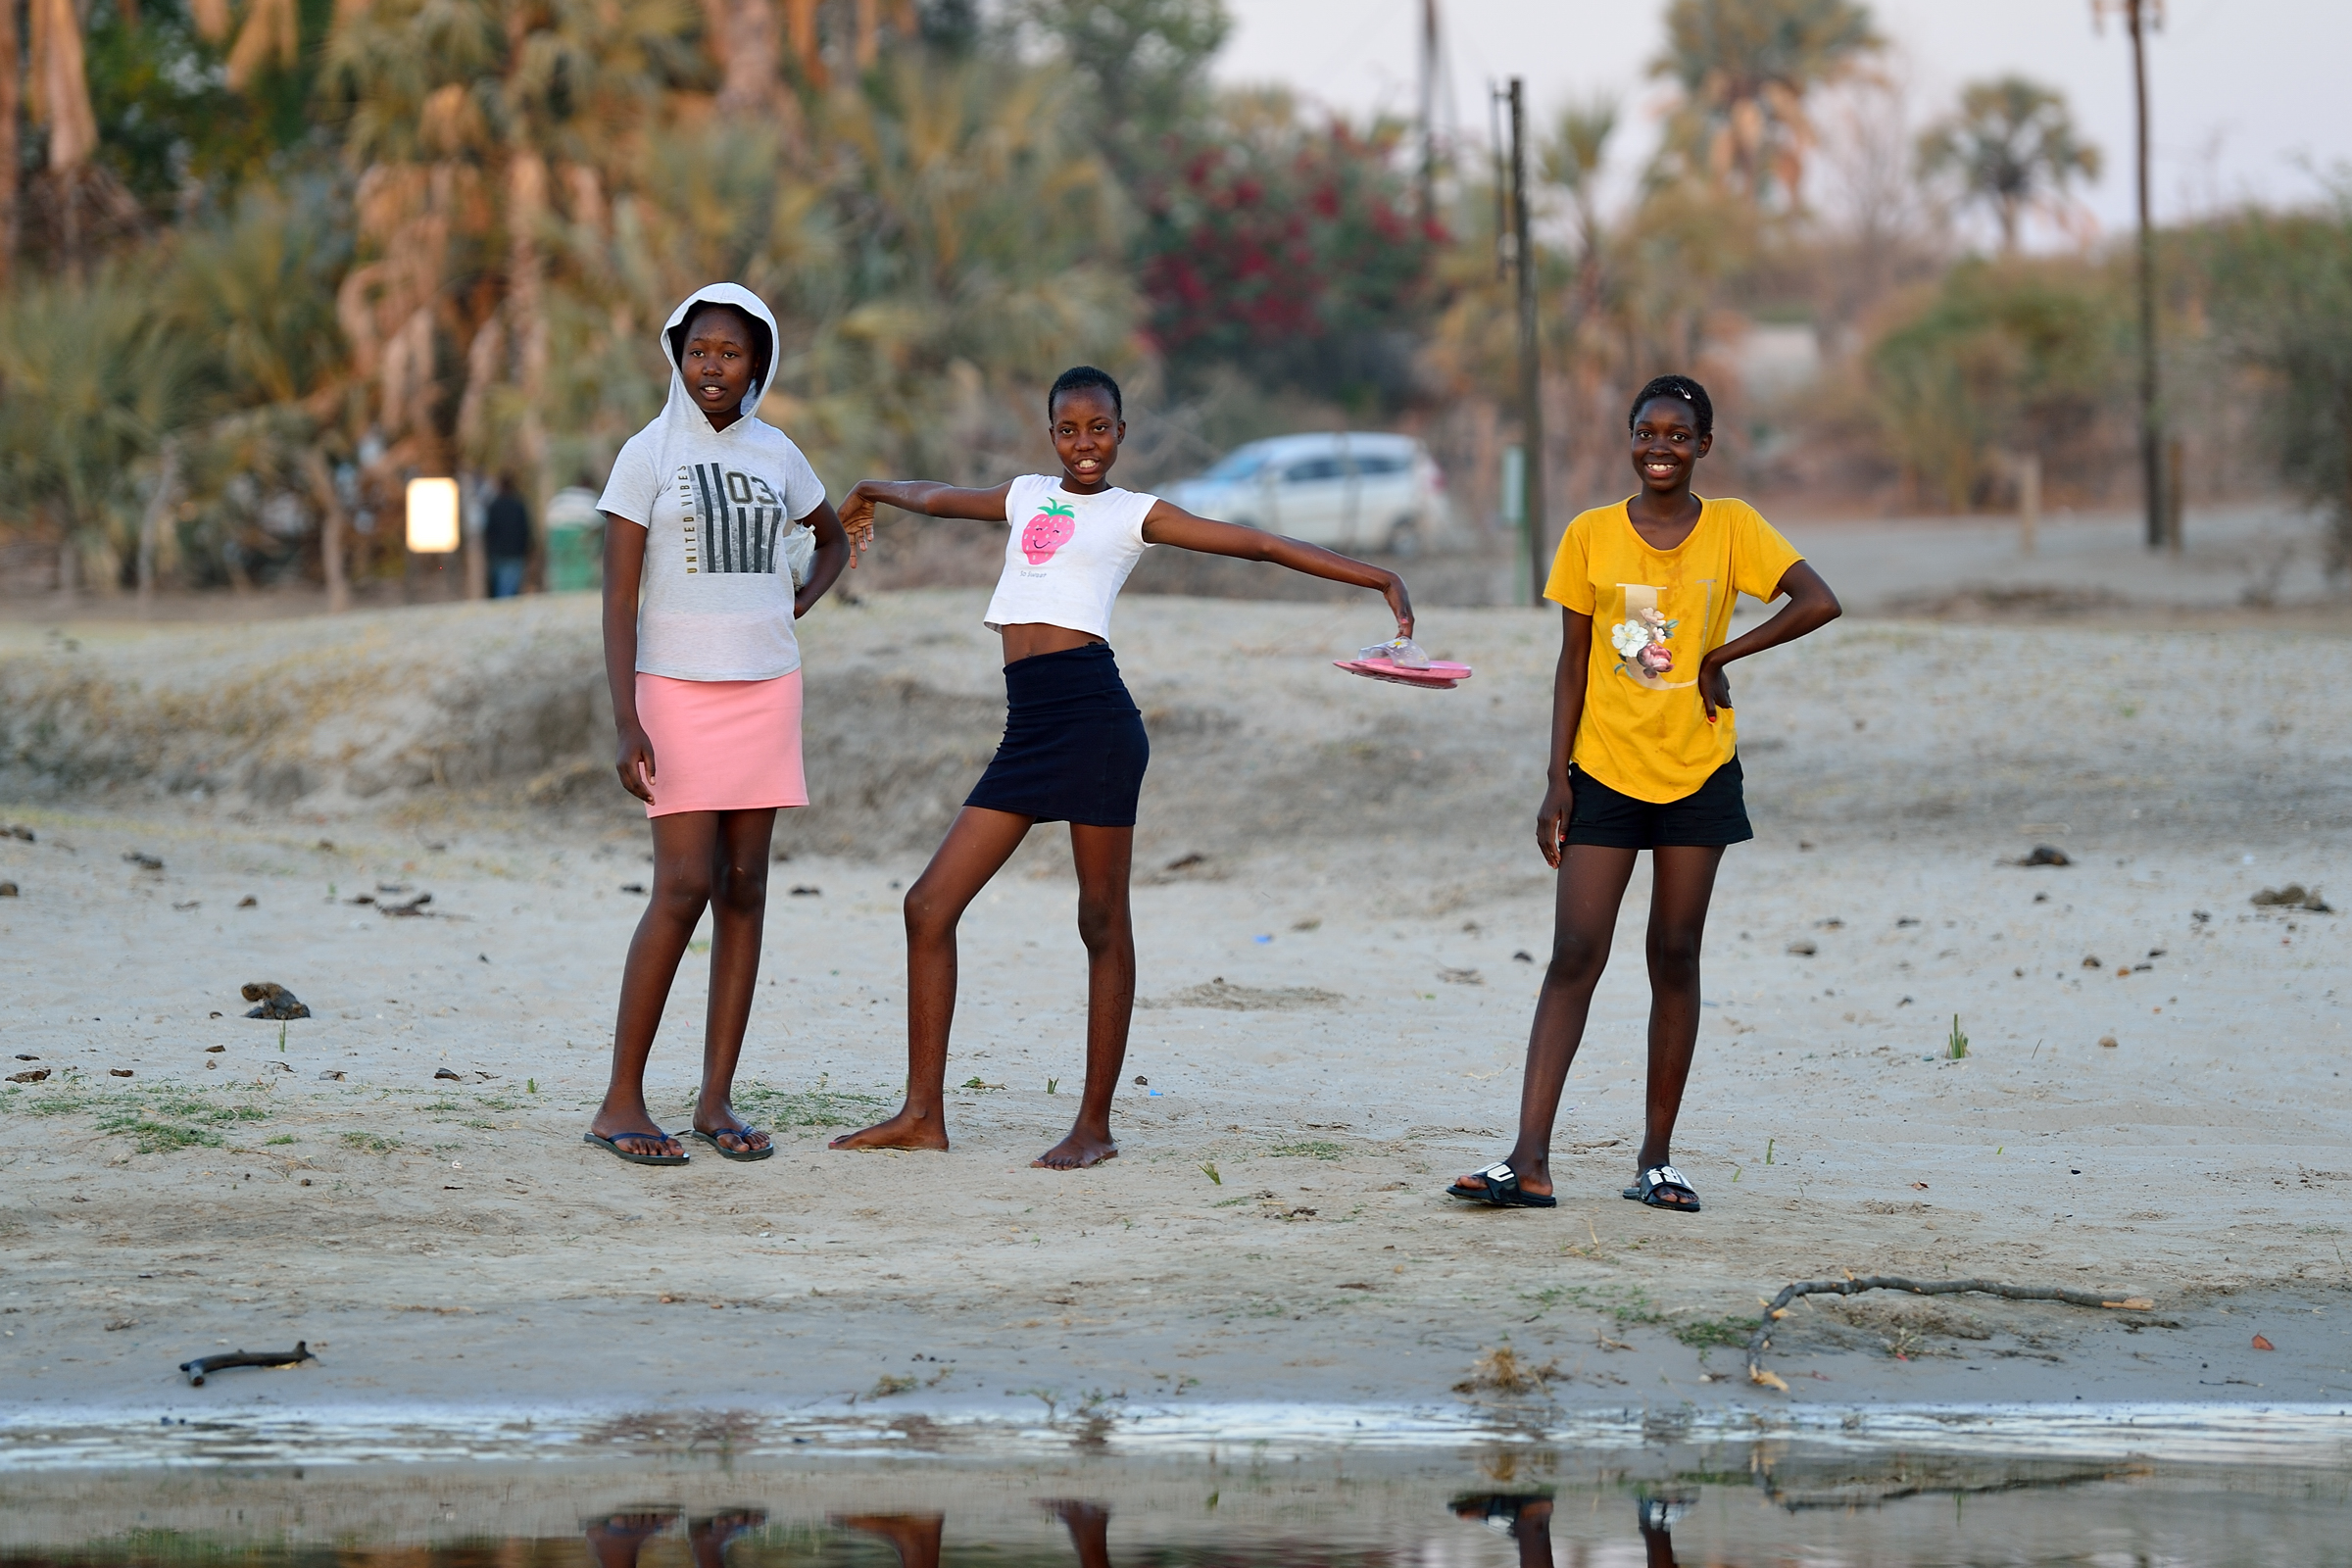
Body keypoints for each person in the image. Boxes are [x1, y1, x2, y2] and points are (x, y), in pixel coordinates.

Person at [827, 366, 1414, 1169]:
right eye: (1069, 430)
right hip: (1028, 728)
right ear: (1051, 435)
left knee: (1101, 921)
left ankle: (1093, 1127)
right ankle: (922, 1115)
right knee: (928, 906)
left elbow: (1259, 544)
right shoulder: (1028, 494)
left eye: (1099, 429)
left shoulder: (1137, 513)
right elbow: (936, 498)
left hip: (1096, 724)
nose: (1085, 444)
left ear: (1122, 433)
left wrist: (1378, 577)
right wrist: (870, 490)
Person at [1449, 373, 1839, 1214]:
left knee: (1675, 953)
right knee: (1574, 953)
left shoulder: (1734, 527)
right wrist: (1556, 779)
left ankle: (1657, 1160)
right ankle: (1528, 1160)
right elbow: (1572, 664)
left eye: (1678, 435)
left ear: (1704, 446)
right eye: (1646, 433)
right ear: (1629, 441)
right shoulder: (1590, 534)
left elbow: (1819, 601)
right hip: (1603, 771)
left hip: (1698, 771)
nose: (1660, 448)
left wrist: (1722, 655)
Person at [583, 283, 852, 1166]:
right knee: (683, 885)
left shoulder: (778, 452)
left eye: (731, 353)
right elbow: (617, 600)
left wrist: (796, 601)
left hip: (767, 688)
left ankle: (714, 1101)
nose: (712, 366)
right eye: (699, 350)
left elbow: (832, 538)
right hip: (675, 692)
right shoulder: (647, 454)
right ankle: (621, 1102)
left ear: (758, 364)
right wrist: (626, 721)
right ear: (678, 354)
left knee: (744, 887)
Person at [485, 473, 532, 598]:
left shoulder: (494, 506)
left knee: (501, 587)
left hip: (498, 553)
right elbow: (525, 530)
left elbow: (489, 532)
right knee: (511, 588)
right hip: (515, 552)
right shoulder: (518, 505)